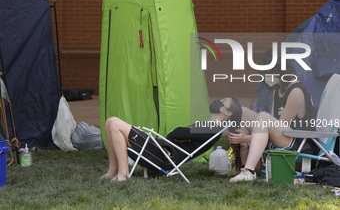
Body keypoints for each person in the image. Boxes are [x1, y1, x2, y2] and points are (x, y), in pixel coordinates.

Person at [100, 97, 242, 181]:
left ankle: (123, 174)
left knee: (115, 124)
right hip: (161, 150)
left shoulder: (211, 128)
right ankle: (113, 170)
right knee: (110, 123)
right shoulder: (208, 126)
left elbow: (178, 133)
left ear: (228, 112)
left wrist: (181, 134)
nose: (219, 101)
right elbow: (178, 135)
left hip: (164, 155)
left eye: (223, 102)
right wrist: (181, 135)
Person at [227, 50, 317, 182]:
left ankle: (249, 172)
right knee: (242, 112)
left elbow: (282, 128)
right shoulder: (278, 89)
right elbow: (275, 124)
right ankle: (241, 166)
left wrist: (246, 137)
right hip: (285, 137)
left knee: (263, 117)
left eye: (267, 73)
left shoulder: (296, 91)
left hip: (300, 143)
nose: (265, 78)